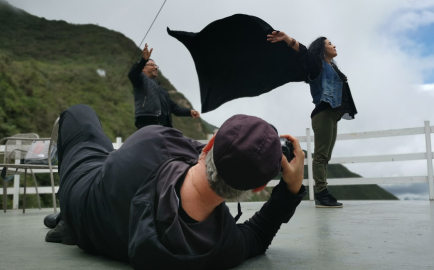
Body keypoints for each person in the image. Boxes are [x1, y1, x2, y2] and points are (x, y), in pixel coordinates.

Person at [44, 104, 306, 269]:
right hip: (99, 237)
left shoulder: (155, 141)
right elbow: (259, 235)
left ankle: (64, 216)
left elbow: (198, 153)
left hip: (82, 194)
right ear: (259, 188)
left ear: (211, 142)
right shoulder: (221, 245)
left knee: (79, 115)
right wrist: (291, 189)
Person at [267, 31, 357, 208]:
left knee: (326, 156)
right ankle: (322, 195)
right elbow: (304, 52)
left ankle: (323, 193)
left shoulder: (333, 68)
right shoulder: (317, 64)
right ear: (322, 48)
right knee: (321, 156)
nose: (334, 45)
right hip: (322, 114)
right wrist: (287, 39)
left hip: (332, 115)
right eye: (330, 43)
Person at [128, 43, 200, 129]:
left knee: (177, 139)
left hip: (164, 126)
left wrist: (189, 112)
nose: (155, 67)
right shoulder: (141, 80)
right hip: (147, 123)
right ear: (143, 68)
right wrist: (143, 60)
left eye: (156, 65)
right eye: (152, 65)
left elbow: (175, 108)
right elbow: (132, 74)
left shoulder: (162, 91)